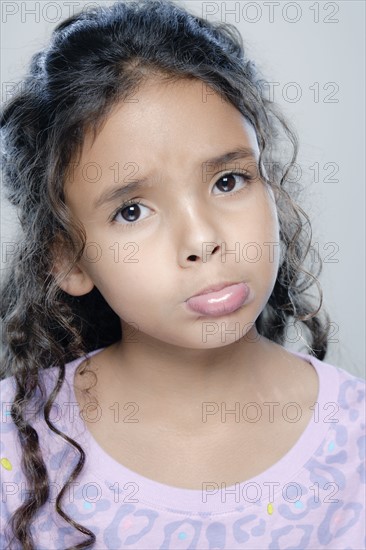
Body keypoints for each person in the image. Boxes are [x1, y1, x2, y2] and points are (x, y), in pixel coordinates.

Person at [0, 0, 364, 548]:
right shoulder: (14, 452)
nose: (201, 240)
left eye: (228, 182)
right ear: (69, 260)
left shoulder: (354, 439)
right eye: (132, 211)